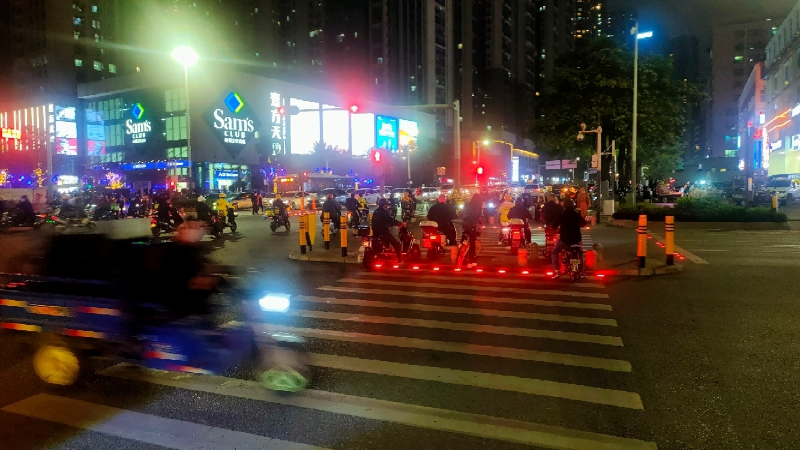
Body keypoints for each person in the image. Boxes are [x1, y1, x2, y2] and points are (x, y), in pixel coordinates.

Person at [551, 198, 587, 277]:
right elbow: (584, 223)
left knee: (555, 252)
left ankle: (557, 270)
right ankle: (582, 271)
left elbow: (554, 225)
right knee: (580, 253)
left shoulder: (562, 214)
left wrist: (554, 227)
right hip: (577, 239)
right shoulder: (576, 214)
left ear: (564, 206)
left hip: (564, 239)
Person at [372, 198, 405, 263]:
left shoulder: (376, 211)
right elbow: (391, 221)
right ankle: (400, 261)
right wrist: (400, 224)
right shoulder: (384, 212)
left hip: (375, 233)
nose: (387, 206)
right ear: (384, 205)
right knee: (397, 244)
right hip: (383, 233)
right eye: (386, 205)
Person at [460, 195, 483, 268]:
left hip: (464, 224)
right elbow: (479, 216)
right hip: (472, 225)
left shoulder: (466, 204)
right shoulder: (477, 206)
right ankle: (471, 261)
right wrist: (480, 223)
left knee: (465, 235)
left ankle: (460, 247)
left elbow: (460, 213)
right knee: (472, 243)